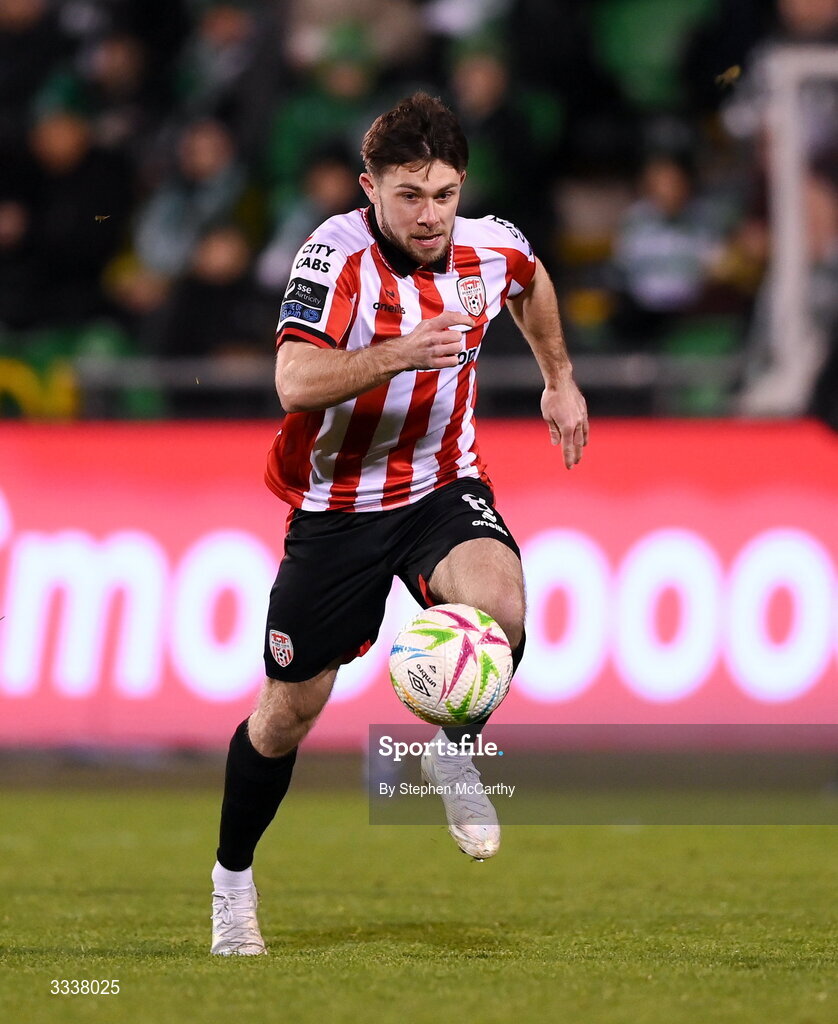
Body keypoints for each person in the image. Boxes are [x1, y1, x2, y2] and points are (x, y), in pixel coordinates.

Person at [210, 92, 588, 956]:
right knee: (285, 717)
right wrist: (395, 354)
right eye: (409, 195)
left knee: (506, 607)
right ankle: (233, 878)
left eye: (445, 194)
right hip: (339, 506)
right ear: (368, 188)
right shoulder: (331, 258)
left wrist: (558, 377)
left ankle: (453, 749)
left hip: (439, 485)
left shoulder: (489, 246)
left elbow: (531, 284)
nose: (430, 215)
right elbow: (294, 382)